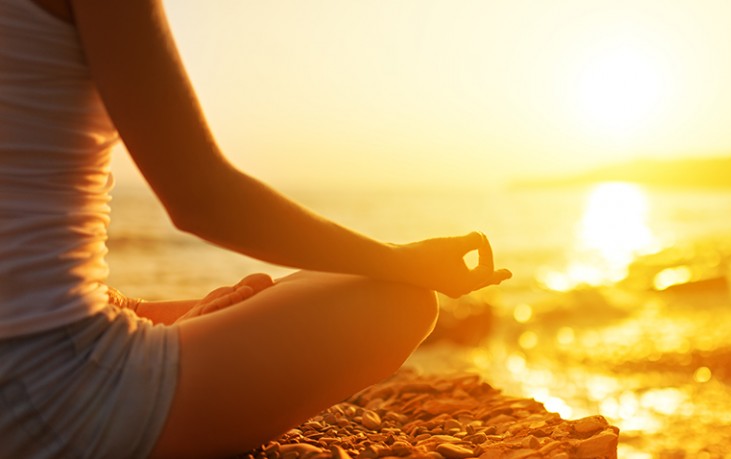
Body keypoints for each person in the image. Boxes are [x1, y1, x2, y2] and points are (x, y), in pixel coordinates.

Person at [0, 0, 512, 458]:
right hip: (53, 397)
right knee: (400, 301)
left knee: (260, 296)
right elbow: (203, 199)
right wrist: (404, 260)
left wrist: (146, 313)